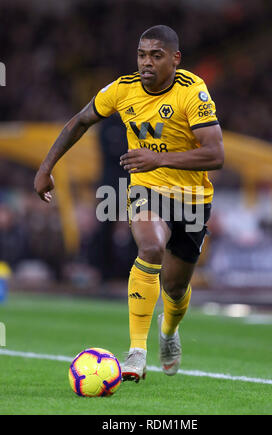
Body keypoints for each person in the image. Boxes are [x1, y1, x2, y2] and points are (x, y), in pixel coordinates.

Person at [34, 25, 224, 383]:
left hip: (193, 199)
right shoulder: (122, 89)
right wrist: (46, 168)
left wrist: (160, 160)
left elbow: (216, 154)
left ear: (175, 59)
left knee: (175, 288)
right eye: (141, 54)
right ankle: (137, 352)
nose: (146, 63)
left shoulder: (193, 91)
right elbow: (79, 122)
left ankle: (168, 330)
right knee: (150, 247)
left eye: (156, 55)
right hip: (146, 189)